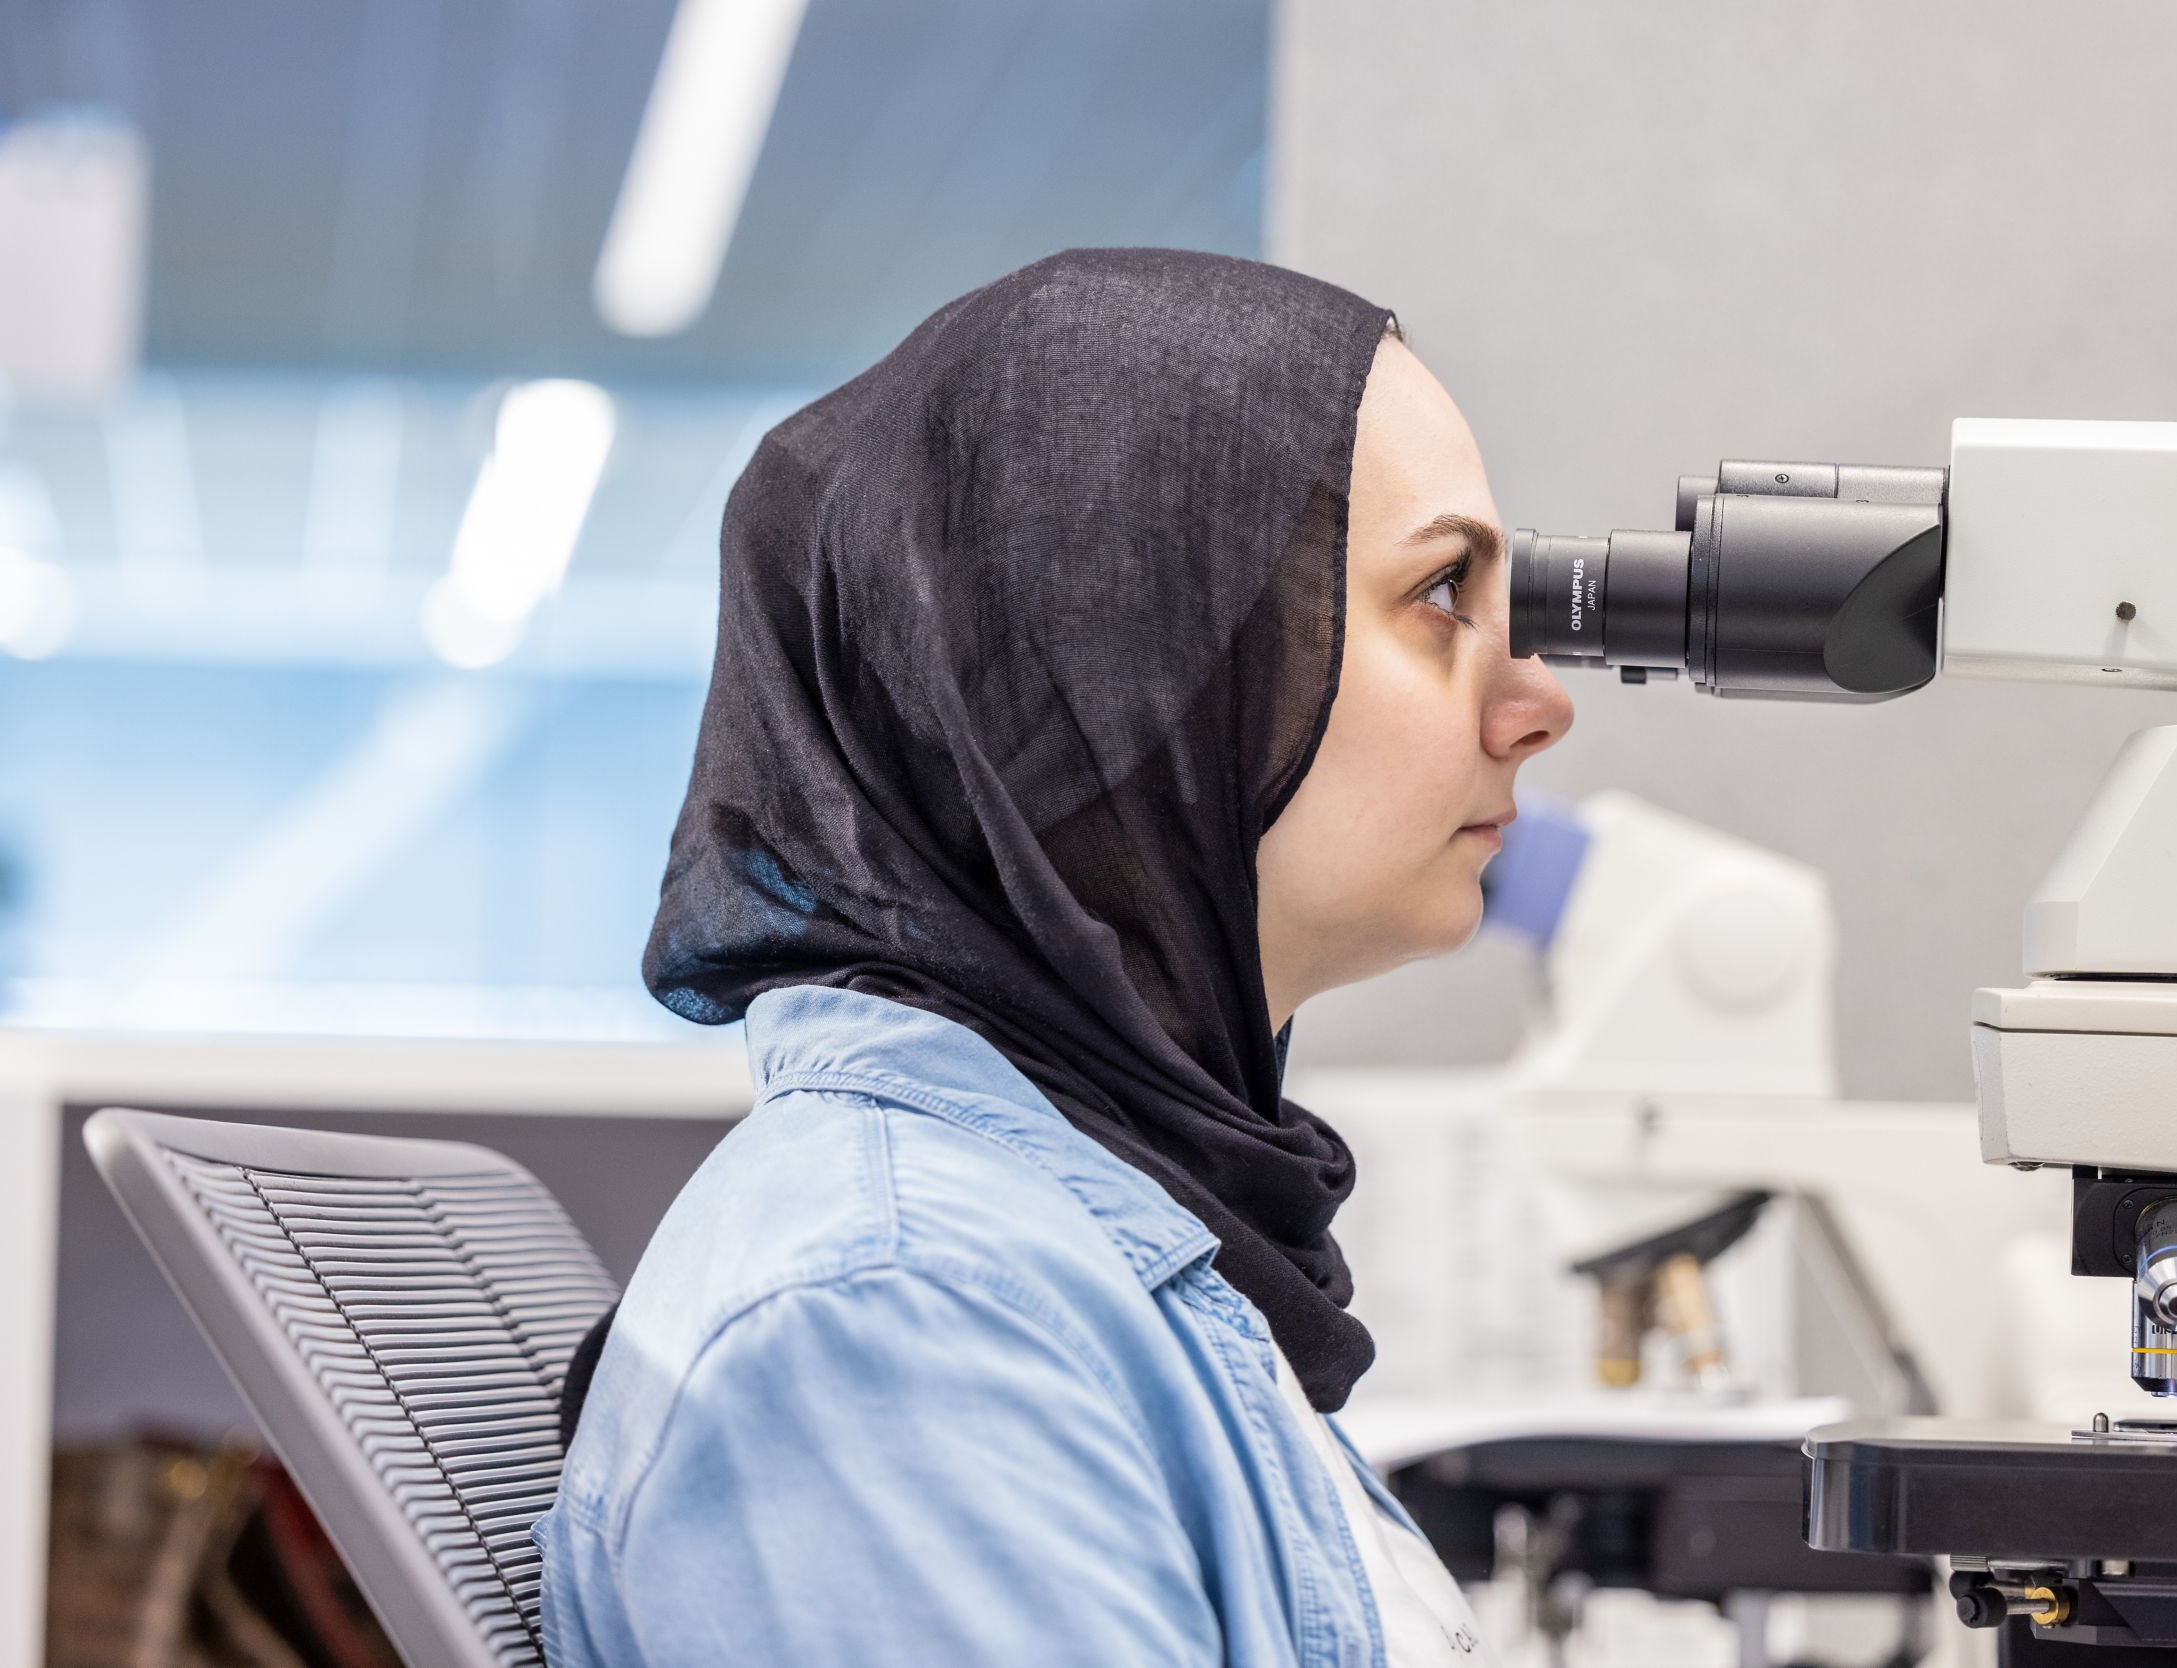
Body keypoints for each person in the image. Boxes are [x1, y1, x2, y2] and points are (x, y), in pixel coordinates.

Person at [533, 248, 1572, 1667]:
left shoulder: (1107, 1226)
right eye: (1442, 596)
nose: (1536, 705)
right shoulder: (903, 1333)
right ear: (1138, 678)